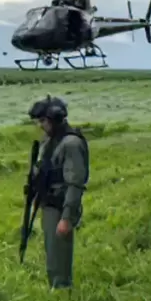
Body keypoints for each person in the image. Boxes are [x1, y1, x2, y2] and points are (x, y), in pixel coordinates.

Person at [28, 96, 90, 289]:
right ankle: (57, 291)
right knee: (52, 255)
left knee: (59, 259)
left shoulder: (70, 143)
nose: (40, 125)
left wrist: (67, 217)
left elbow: (75, 183)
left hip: (60, 206)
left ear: (54, 118)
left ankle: (63, 297)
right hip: (49, 204)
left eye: (43, 121)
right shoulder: (51, 141)